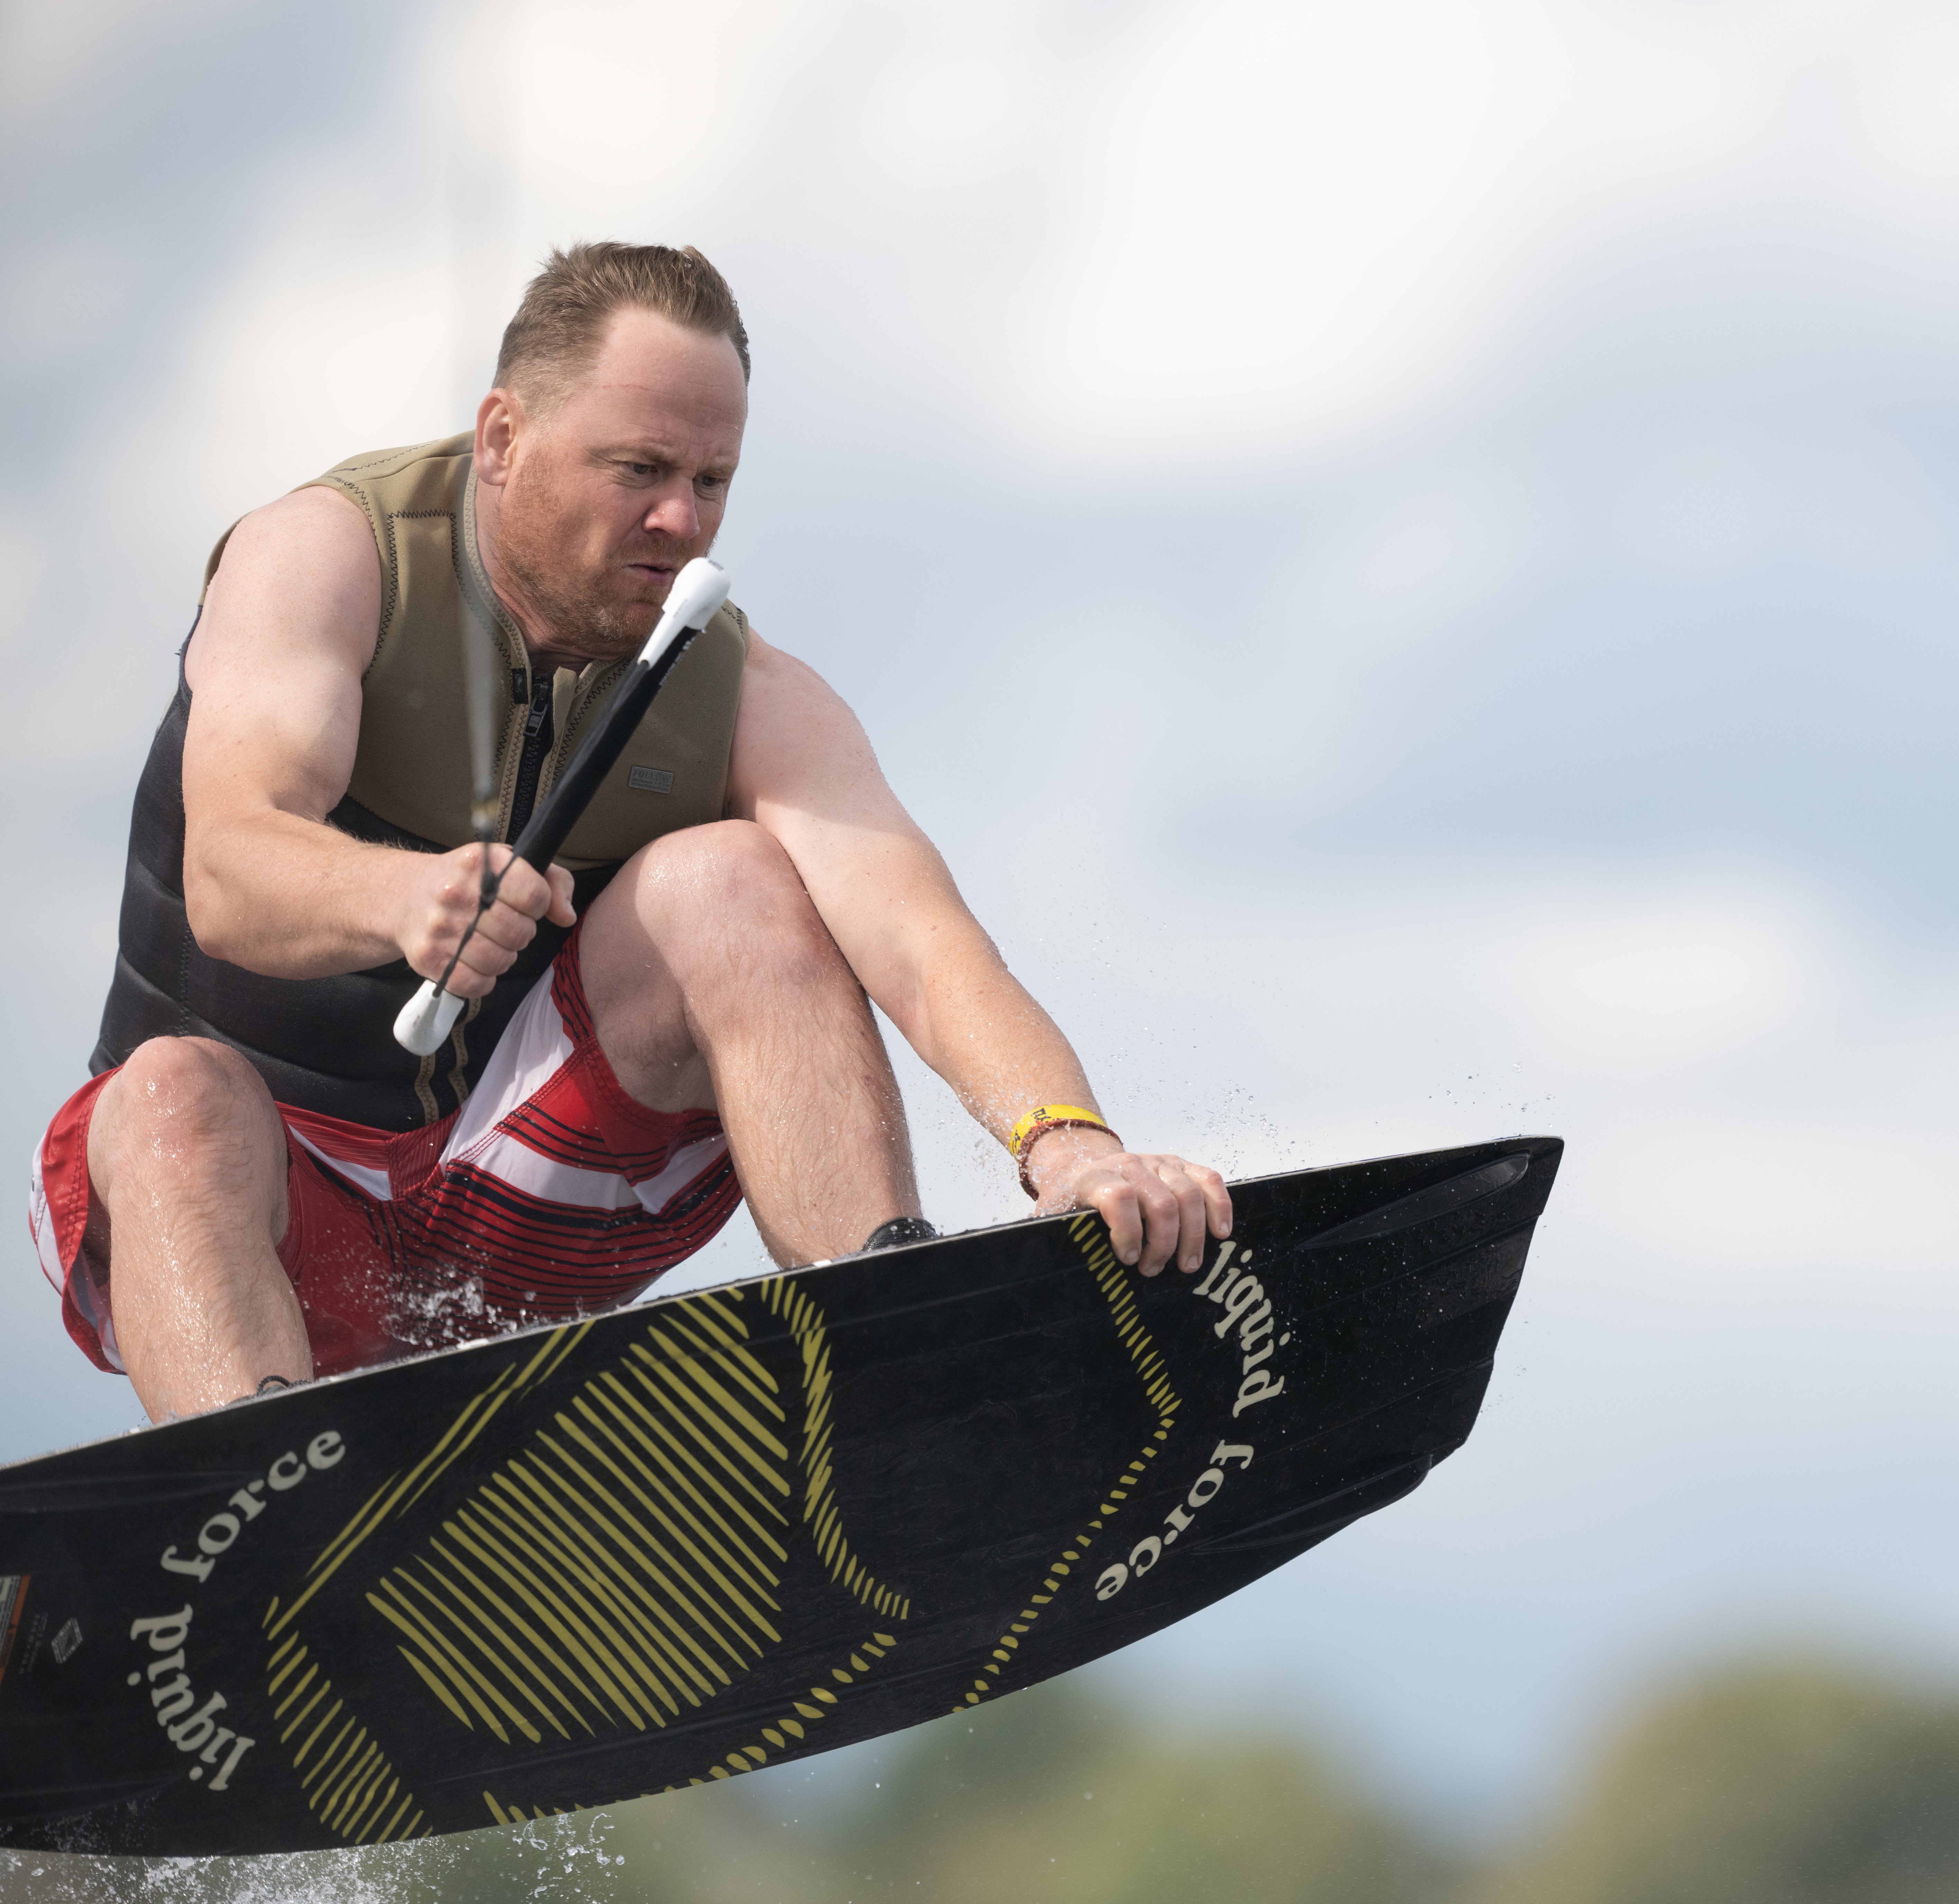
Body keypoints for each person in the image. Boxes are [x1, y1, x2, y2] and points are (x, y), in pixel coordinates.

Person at [27, 242, 1231, 1424]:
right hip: (253, 1213)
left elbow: (919, 941)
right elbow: (229, 873)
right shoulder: (324, 558)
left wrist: (1071, 1146)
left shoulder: (739, 684)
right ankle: (255, 1519)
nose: (680, 521)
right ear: (503, 438)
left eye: (713, 482)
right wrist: (400, 901)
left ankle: (885, 1362)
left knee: (734, 883)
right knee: (172, 1094)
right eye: (640, 469)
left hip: (513, 1208)